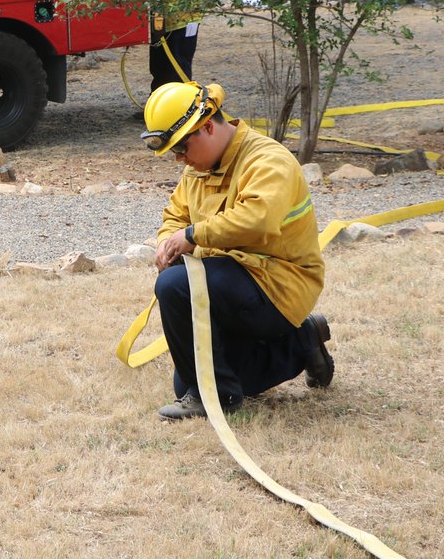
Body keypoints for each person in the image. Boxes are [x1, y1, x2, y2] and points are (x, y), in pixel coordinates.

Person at [139, 81, 333, 420]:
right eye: (173, 152)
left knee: (173, 285)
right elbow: (176, 214)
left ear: (207, 126)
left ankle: (216, 398)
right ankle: (303, 343)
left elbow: (258, 219)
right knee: (185, 381)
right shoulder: (198, 168)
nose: (180, 158)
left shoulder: (268, 160)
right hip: (227, 285)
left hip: (276, 287)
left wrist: (192, 235)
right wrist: (167, 241)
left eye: (181, 147)